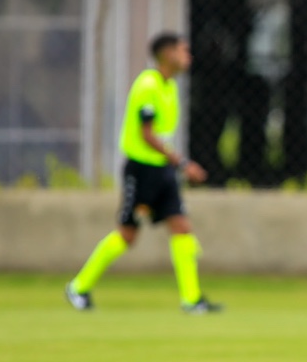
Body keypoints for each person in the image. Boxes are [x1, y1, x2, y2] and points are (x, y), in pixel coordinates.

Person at [66, 32, 218, 314]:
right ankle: (78, 287)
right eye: (183, 51)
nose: (188, 56)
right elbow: (146, 134)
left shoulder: (169, 86)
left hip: (162, 170)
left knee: (182, 227)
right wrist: (183, 162)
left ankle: (192, 299)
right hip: (141, 170)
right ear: (167, 54)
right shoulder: (147, 85)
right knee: (127, 234)